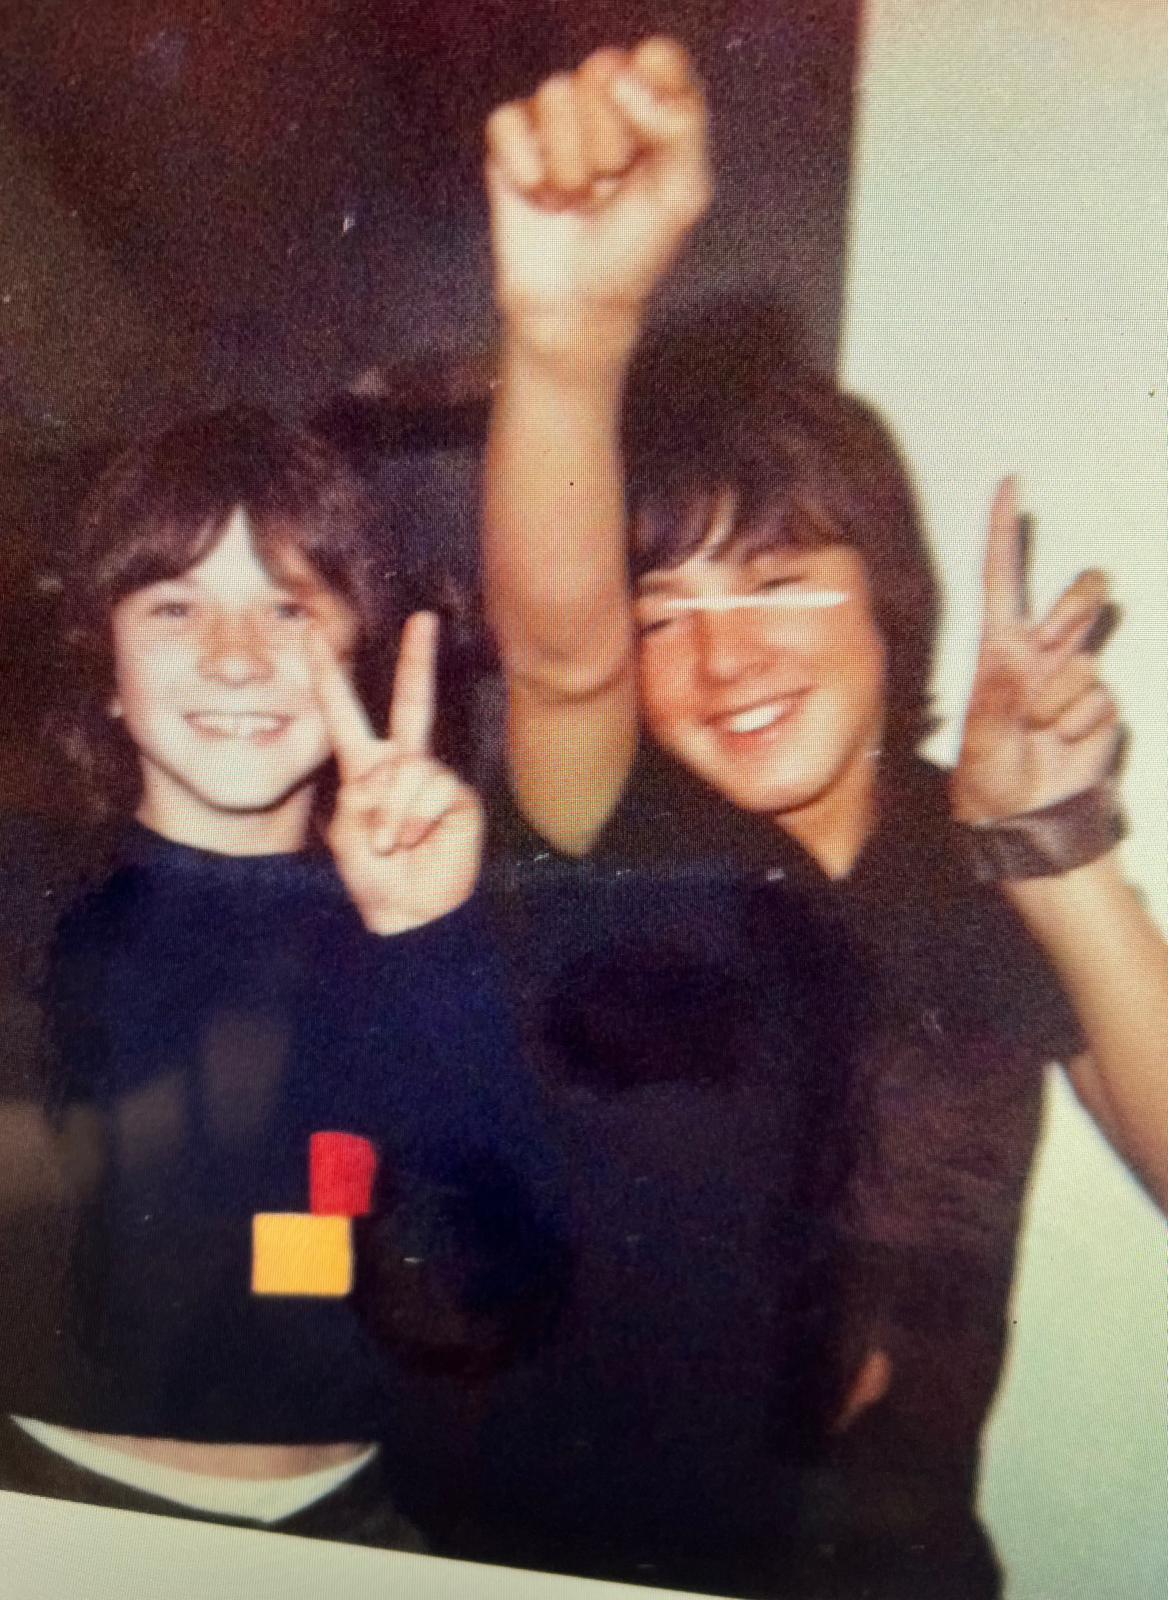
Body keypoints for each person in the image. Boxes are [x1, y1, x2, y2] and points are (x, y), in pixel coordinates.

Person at [479, 38, 1168, 1598]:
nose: (723, 662)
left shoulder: (968, 858)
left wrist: (1056, 851)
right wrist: (570, 338)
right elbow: (560, 658)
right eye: (666, 614)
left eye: (779, 582)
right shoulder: (609, 835)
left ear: (886, 599)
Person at [0, 407, 564, 1543]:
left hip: (345, 1523)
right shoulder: (15, 916)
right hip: (46, 1508)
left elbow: (489, 1290)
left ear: (359, 651)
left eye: (289, 606)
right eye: (176, 605)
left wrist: (426, 937)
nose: (236, 656)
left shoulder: (431, 920)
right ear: (105, 666)